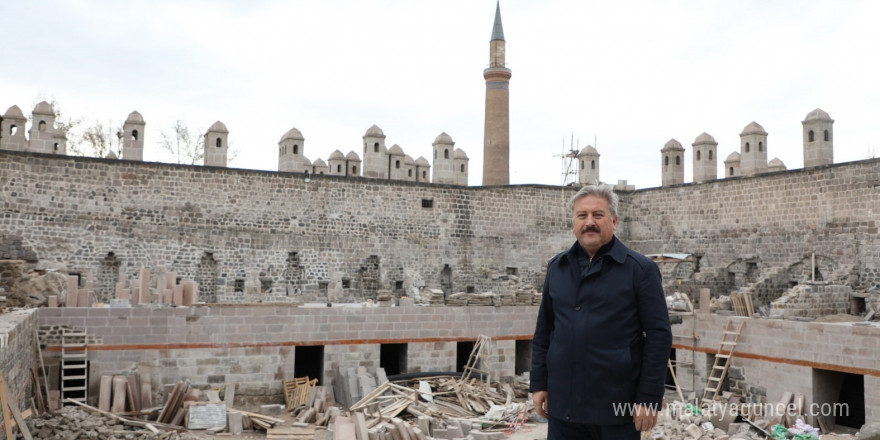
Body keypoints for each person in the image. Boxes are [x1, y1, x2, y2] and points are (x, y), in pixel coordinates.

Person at [530, 184, 672, 440]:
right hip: (564, 409)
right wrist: (539, 383)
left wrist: (649, 398)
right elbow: (544, 331)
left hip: (616, 409)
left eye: (598, 215)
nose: (589, 222)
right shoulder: (557, 268)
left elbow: (659, 336)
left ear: (614, 220)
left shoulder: (640, 270)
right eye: (582, 216)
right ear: (573, 221)